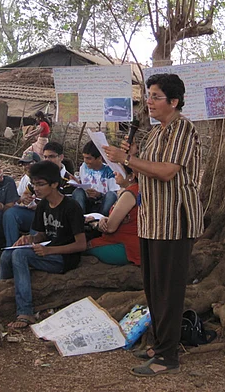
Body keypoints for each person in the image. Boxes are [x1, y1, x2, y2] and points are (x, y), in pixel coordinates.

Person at [103, 73, 203, 377]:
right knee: (154, 287)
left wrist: (128, 159)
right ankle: (159, 344)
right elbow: (143, 173)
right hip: (151, 221)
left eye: (156, 96)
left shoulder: (182, 128)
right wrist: (129, 164)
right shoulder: (156, 132)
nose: (149, 102)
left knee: (169, 290)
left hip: (173, 221)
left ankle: (168, 356)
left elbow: (167, 171)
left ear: (174, 101)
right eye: (148, 95)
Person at [0, 161, 86, 330]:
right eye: (34, 184)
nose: (36, 188)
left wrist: (49, 251)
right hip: (48, 251)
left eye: (40, 184)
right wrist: (29, 239)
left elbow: (81, 244)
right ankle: (2, 293)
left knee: (20, 255)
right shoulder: (44, 204)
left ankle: (25, 311)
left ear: (54, 184)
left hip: (64, 257)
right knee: (7, 254)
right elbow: (42, 234)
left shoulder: (71, 207)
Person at [85, 168, 141, 266]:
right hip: (132, 243)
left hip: (125, 246)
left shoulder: (129, 194)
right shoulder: (137, 190)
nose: (114, 172)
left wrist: (94, 223)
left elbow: (110, 228)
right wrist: (105, 219)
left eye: (118, 170)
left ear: (131, 176)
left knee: (82, 247)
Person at [2, 150, 40, 248]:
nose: (27, 167)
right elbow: (18, 198)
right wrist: (22, 198)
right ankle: (12, 247)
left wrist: (40, 206)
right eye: (24, 164)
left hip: (43, 213)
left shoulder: (46, 178)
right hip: (29, 213)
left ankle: (30, 249)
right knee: (10, 213)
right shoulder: (25, 179)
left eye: (30, 163)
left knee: (38, 219)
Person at [74, 141, 119, 216]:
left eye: (89, 158)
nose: (86, 161)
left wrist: (99, 195)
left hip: (102, 203)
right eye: (84, 158)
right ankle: (80, 217)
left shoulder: (110, 171)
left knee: (111, 195)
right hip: (87, 202)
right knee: (78, 191)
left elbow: (113, 194)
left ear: (99, 158)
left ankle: (102, 218)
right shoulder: (83, 167)